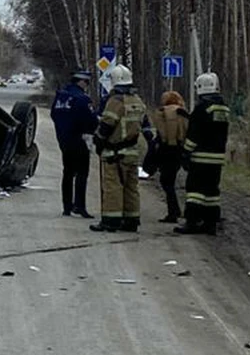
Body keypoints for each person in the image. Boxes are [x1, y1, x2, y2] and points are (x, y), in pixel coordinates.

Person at [90, 65, 147, 233]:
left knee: (112, 187)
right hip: (132, 152)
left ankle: (110, 221)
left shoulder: (115, 101)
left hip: (113, 152)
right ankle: (131, 220)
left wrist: (98, 141)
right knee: (131, 187)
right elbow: (145, 125)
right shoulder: (137, 101)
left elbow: (107, 125)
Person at [175, 72, 230, 235]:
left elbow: (194, 134)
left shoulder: (201, 108)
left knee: (195, 191)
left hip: (201, 157)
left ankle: (191, 222)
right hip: (217, 158)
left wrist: (185, 152)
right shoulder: (223, 108)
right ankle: (210, 223)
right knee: (212, 191)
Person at [50, 68, 98, 218]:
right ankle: (80, 206)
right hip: (80, 140)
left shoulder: (60, 97)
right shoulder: (82, 99)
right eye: (87, 83)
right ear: (82, 82)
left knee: (68, 173)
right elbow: (89, 120)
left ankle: (66, 206)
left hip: (64, 140)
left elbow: (54, 115)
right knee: (82, 173)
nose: (87, 85)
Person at [149, 91, 190, 223]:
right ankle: (177, 210)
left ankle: (174, 212)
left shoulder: (162, 112)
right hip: (179, 150)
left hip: (166, 151)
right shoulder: (183, 112)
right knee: (170, 180)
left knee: (166, 181)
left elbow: (161, 134)